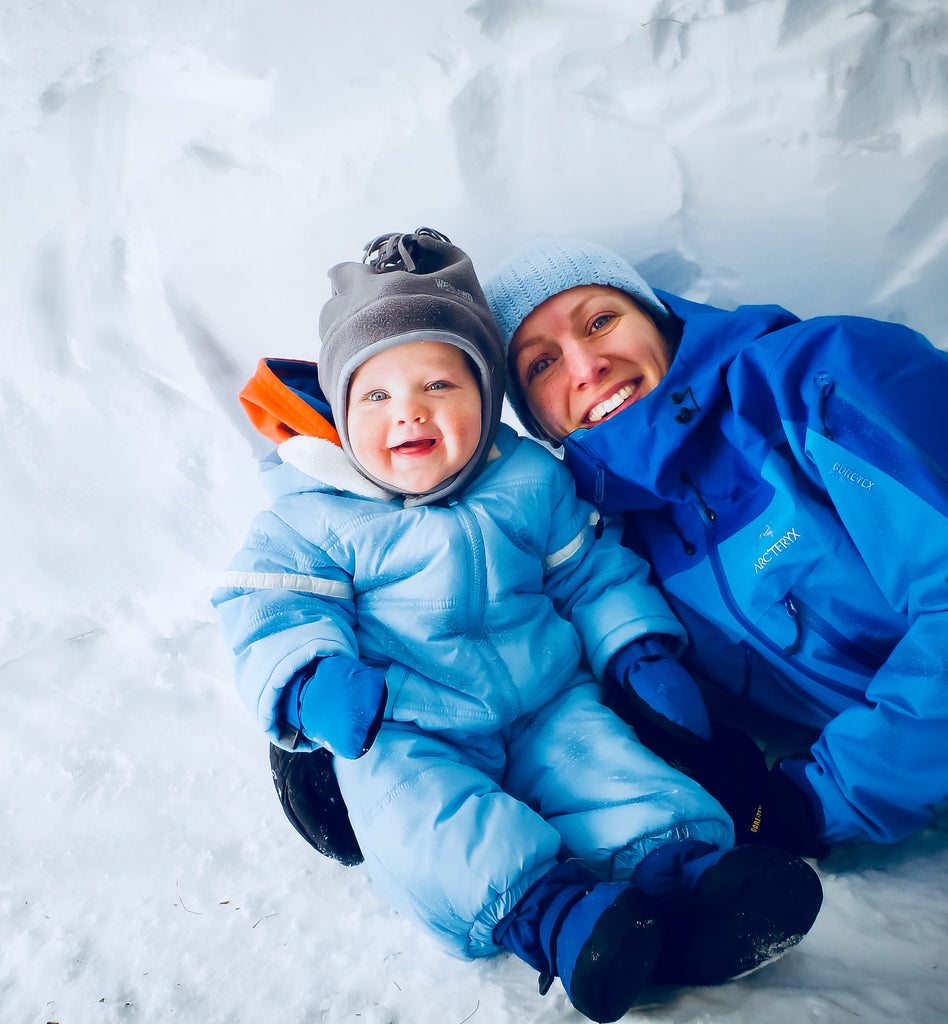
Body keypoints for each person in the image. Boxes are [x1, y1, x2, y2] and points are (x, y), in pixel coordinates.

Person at [213, 228, 822, 1022]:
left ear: (486, 396)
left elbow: (588, 570)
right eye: (377, 396)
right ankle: (557, 915)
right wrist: (309, 681)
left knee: (614, 765)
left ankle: (686, 873)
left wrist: (635, 646)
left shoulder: (528, 479)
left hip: (548, 700)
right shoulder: (315, 518)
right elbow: (268, 608)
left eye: (440, 385)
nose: (411, 414)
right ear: (340, 408)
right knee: (421, 814)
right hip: (405, 719)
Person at [482, 234, 948, 857]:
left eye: (600, 321)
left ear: (657, 318)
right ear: (537, 421)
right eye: (540, 365)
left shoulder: (816, 377)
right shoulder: (619, 541)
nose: (586, 366)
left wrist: (823, 799)